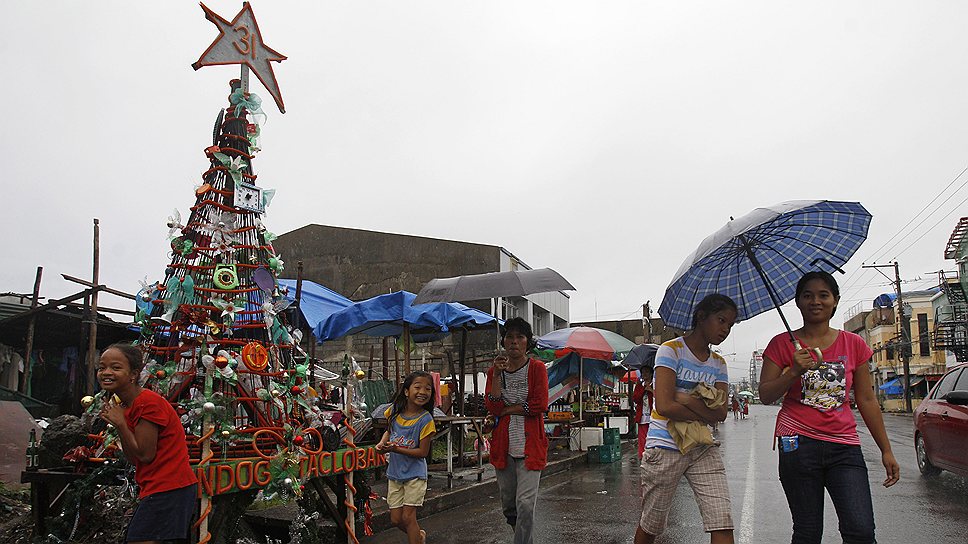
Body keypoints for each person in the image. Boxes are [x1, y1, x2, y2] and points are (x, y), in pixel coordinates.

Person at [758, 271, 900, 544]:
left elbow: (867, 399)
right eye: (807, 295)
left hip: (844, 447)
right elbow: (765, 394)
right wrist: (792, 372)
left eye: (823, 295)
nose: (816, 301)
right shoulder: (780, 344)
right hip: (797, 444)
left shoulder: (854, 343)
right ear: (797, 302)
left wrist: (886, 450)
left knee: (860, 531)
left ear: (835, 301)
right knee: (808, 532)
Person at [635, 294, 736, 544]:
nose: (725, 329)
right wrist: (703, 410)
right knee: (652, 525)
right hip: (665, 447)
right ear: (701, 317)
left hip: (702, 447)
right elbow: (665, 405)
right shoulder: (671, 351)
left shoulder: (719, 363)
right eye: (721, 320)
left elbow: (721, 414)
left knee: (721, 519)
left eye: (730, 325)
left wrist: (688, 399)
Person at [97, 343, 198, 544]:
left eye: (116, 368)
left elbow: (145, 455)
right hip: (159, 487)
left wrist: (121, 424)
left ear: (133, 374)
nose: (106, 373)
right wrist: (121, 424)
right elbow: (134, 459)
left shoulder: (148, 403)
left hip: (170, 487)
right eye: (102, 367)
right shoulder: (126, 405)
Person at [485, 317, 549, 544]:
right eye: (509, 337)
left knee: (525, 504)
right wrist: (495, 376)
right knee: (510, 506)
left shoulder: (537, 368)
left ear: (527, 342)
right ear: (503, 341)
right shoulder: (496, 370)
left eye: (520, 337)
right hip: (504, 446)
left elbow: (540, 404)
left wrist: (508, 409)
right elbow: (493, 406)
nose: (514, 342)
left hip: (530, 446)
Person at [376, 371, 438, 544]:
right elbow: (389, 430)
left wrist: (396, 449)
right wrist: (382, 444)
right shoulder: (394, 411)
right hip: (395, 473)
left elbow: (423, 453)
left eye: (428, 389)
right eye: (417, 387)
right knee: (396, 520)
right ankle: (419, 536)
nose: (423, 392)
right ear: (406, 391)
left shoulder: (426, 420)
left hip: (415, 475)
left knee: (409, 517)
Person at [632, 365, 655, 459]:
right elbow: (636, 399)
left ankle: (653, 455)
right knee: (642, 438)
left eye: (646, 372)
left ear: (651, 374)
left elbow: (659, 397)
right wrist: (643, 389)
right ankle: (642, 456)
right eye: (643, 372)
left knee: (653, 436)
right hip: (642, 417)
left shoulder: (655, 384)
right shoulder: (639, 385)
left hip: (653, 415)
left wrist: (651, 390)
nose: (644, 374)